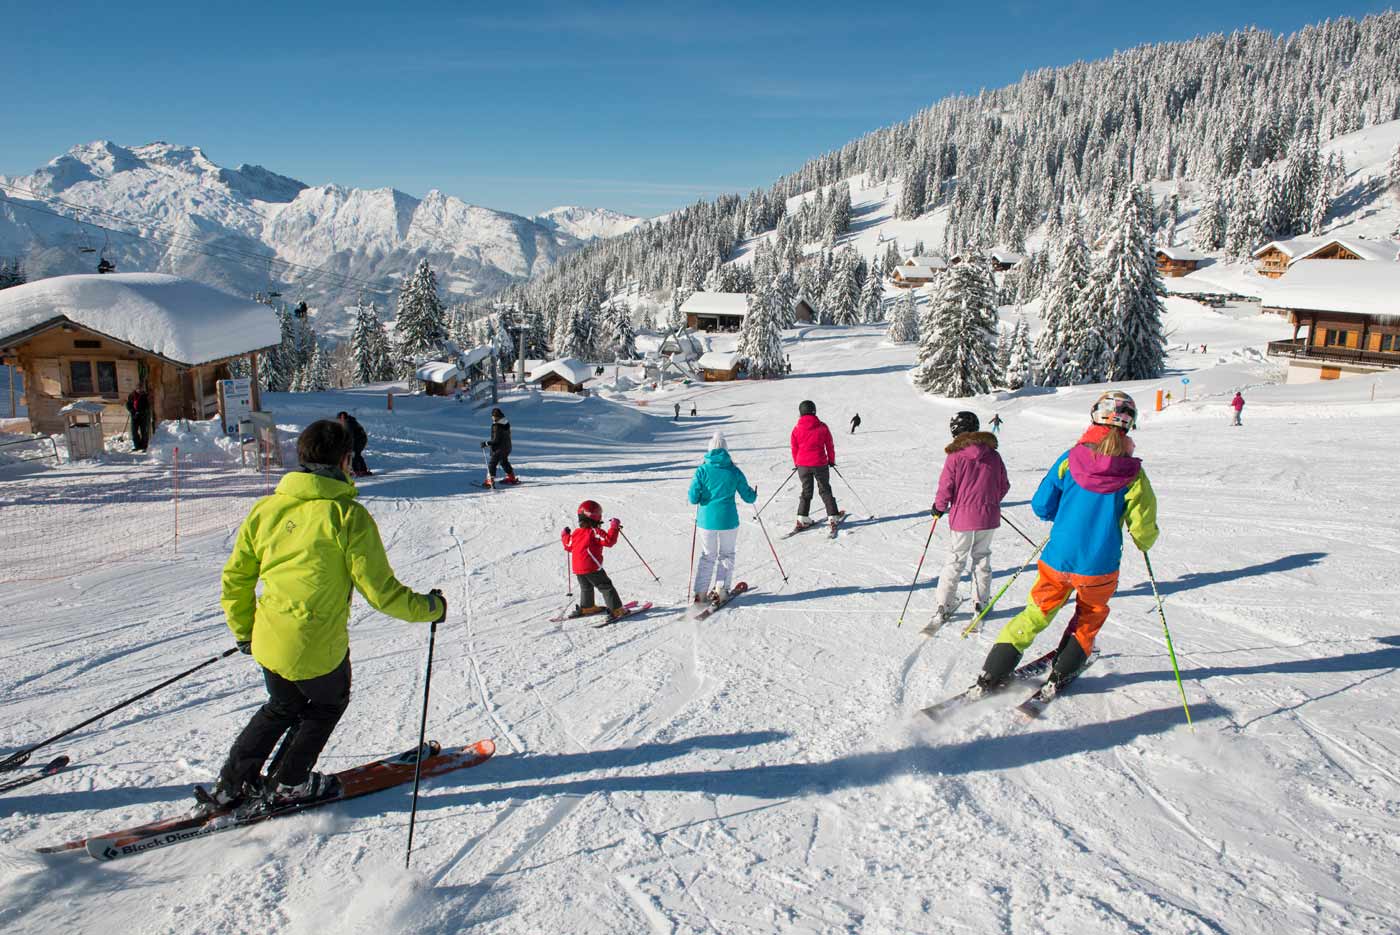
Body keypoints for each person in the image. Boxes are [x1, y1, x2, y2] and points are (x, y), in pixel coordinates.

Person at [201, 420, 446, 811]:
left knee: (281, 706)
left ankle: (232, 784)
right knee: (328, 704)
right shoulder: (347, 517)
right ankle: (290, 784)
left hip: (269, 639)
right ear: (346, 460)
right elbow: (382, 594)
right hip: (316, 647)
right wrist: (431, 608)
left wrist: (245, 631)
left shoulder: (267, 509)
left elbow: (236, 579)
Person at [974, 391, 1158, 692]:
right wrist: (1144, 540)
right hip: (1099, 566)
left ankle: (992, 673)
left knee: (1036, 612)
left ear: (1095, 415)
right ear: (1129, 424)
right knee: (1088, 618)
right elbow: (1143, 530)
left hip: (1058, 557)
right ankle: (1062, 672)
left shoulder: (1070, 459)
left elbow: (1041, 505)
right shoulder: (1134, 475)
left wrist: (1066, 512)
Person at [926, 412, 1010, 634]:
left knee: (955, 559)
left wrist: (939, 507)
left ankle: (943, 604)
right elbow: (1004, 485)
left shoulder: (954, 456)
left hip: (962, 518)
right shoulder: (993, 455)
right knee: (982, 558)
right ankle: (979, 602)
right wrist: (989, 501)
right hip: (988, 517)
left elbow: (946, 487)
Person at [688, 433, 757, 605]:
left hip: (706, 521)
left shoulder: (702, 470)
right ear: (726, 450)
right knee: (726, 555)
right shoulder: (733, 470)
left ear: (709, 450)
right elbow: (748, 497)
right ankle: (721, 590)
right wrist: (753, 493)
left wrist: (703, 495)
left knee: (707, 555)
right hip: (728, 520)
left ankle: (700, 593)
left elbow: (693, 498)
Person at [561, 500, 628, 619]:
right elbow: (609, 541)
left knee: (586, 587)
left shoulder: (576, 533)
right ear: (596, 517)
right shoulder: (594, 532)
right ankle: (617, 609)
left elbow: (568, 545)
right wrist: (614, 527)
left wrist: (565, 534)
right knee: (606, 586)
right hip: (592, 567)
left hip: (578, 568)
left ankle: (587, 607)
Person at [790, 400, 845, 532]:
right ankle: (832, 516)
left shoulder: (796, 429)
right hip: (819, 463)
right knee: (825, 489)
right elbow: (829, 445)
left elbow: (794, 448)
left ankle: (802, 517)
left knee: (806, 491)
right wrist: (831, 460)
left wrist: (797, 463)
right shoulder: (822, 427)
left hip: (803, 465)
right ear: (814, 411)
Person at [480, 407, 518, 487]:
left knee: (492, 463)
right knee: (504, 462)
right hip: (507, 447)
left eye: (493, 416)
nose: (492, 417)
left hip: (499, 449)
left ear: (496, 416)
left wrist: (486, 443)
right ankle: (511, 477)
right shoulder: (506, 423)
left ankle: (490, 480)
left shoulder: (496, 425)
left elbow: (496, 440)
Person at [337, 411, 370, 477]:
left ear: (342, 417)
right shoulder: (349, 422)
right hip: (359, 440)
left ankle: (357, 470)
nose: (339, 421)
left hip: (359, 441)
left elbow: (350, 436)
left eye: (339, 419)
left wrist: (348, 446)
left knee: (354, 455)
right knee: (356, 455)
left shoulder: (348, 423)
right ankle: (362, 470)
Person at [125, 384, 153, 452]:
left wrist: (142, 412)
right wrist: (132, 411)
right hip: (134, 416)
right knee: (134, 431)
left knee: (144, 431)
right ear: (136, 389)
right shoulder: (131, 395)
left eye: (141, 389)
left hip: (143, 416)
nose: (140, 390)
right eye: (138, 389)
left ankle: (144, 446)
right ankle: (137, 446)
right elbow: (128, 405)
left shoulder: (145, 396)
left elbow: (147, 406)